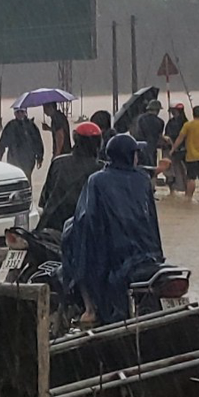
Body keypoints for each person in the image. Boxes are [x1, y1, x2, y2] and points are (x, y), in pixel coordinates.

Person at [60, 133, 165, 326]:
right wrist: (158, 253)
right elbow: (152, 219)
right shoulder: (142, 179)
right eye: (135, 154)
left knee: (76, 248)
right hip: (145, 251)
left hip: (116, 252)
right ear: (128, 156)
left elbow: (86, 216)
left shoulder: (97, 180)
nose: (137, 158)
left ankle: (90, 308)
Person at [36, 120, 105, 245]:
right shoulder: (101, 169)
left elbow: (45, 198)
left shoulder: (58, 163)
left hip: (49, 224)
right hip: (81, 229)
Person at [175, 105, 199, 202]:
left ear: (193, 114)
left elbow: (180, 138)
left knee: (191, 178)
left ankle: (189, 198)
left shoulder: (188, 125)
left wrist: (173, 149)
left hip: (191, 157)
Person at [0, 105, 45, 178]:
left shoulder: (31, 126)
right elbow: (2, 142)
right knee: (14, 178)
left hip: (29, 159)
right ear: (14, 113)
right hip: (13, 158)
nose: (19, 114)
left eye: (21, 112)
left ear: (25, 112)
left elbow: (38, 142)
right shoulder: (10, 126)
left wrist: (40, 157)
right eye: (17, 112)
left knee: (26, 177)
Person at [131, 98, 166, 178]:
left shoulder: (139, 119)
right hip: (152, 149)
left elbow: (134, 132)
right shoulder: (160, 122)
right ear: (157, 110)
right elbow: (159, 136)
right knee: (152, 170)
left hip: (139, 148)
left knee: (140, 168)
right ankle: (151, 186)